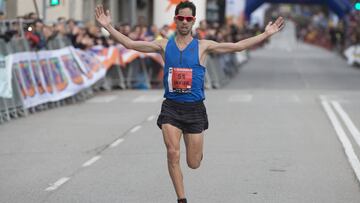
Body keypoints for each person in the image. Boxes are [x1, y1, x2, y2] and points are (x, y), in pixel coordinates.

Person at [95, 1, 284, 202]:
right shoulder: (163, 45)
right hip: (171, 107)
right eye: (181, 18)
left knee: (193, 163)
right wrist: (107, 26)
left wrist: (265, 34)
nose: (184, 22)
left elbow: (237, 47)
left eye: (188, 19)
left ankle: (193, 147)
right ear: (175, 19)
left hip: (194, 109)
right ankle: (181, 199)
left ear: (193, 21)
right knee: (172, 153)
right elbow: (130, 44)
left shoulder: (204, 46)